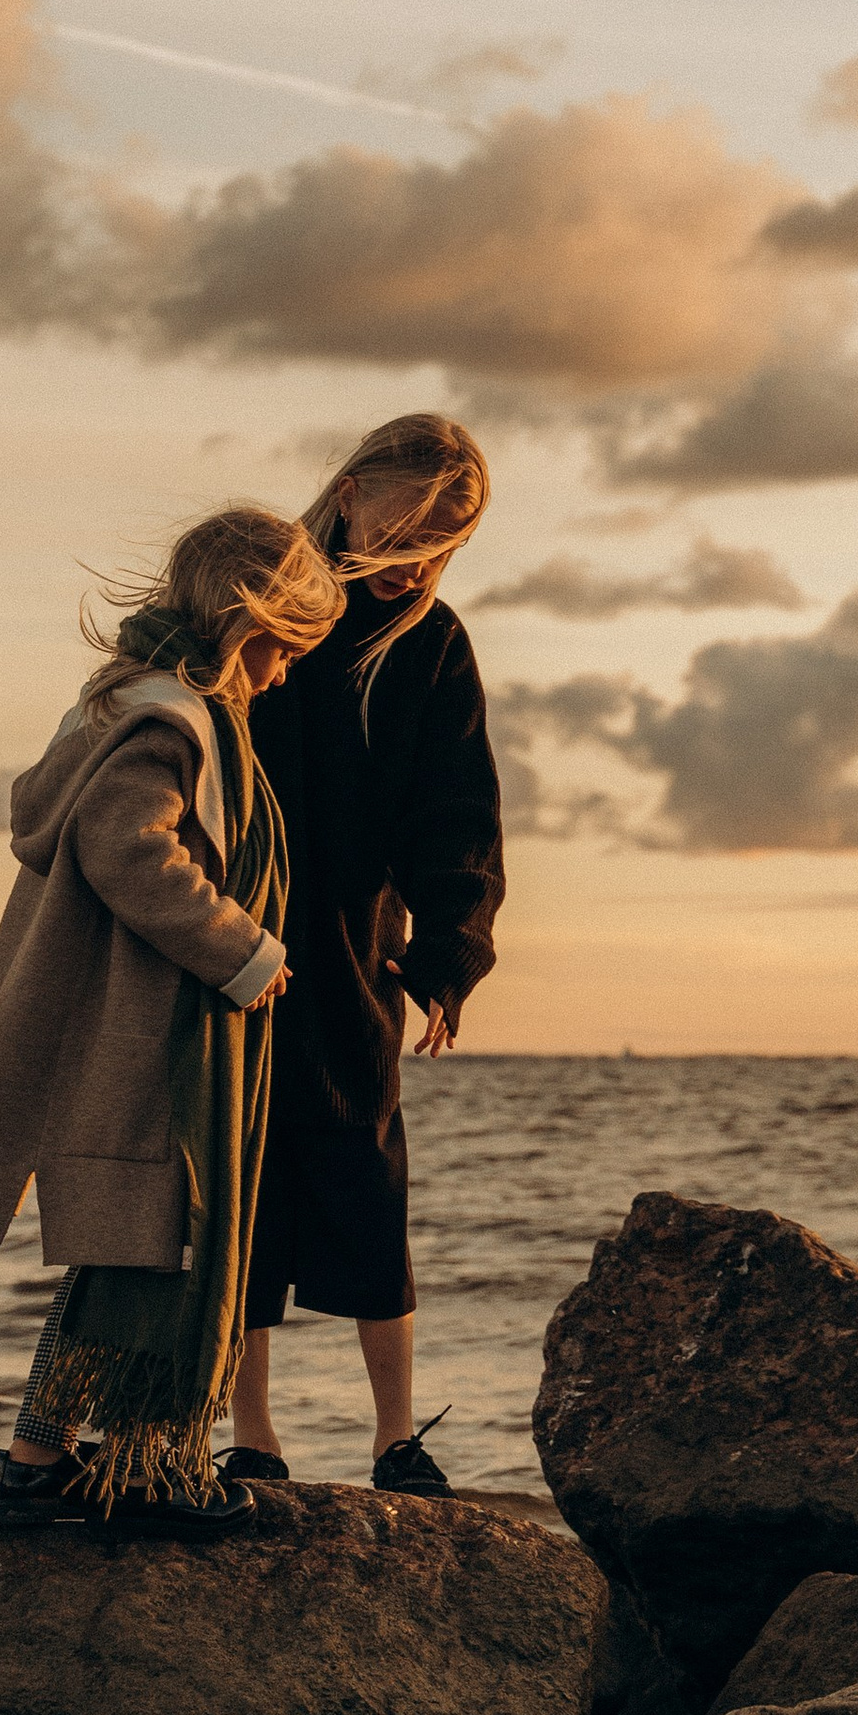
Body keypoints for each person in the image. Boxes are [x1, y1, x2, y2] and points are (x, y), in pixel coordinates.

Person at [0, 504, 346, 1532]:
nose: (280, 675)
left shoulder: (129, 703)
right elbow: (125, 844)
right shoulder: (171, 717)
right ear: (245, 623)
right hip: (151, 1030)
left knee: (127, 1246)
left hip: (141, 1017)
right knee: (144, 1243)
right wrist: (242, 948)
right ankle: (100, 1467)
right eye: (280, 649)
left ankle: (51, 1461)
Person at [228, 412, 503, 1500]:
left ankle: (396, 1436)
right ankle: (251, 1431)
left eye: (441, 550)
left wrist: (447, 953)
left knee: (365, 1166)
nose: (417, 566)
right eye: (402, 539)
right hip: (223, 932)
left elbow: (459, 814)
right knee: (238, 1179)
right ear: (347, 496)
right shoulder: (258, 611)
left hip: (354, 944)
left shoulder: (432, 646)